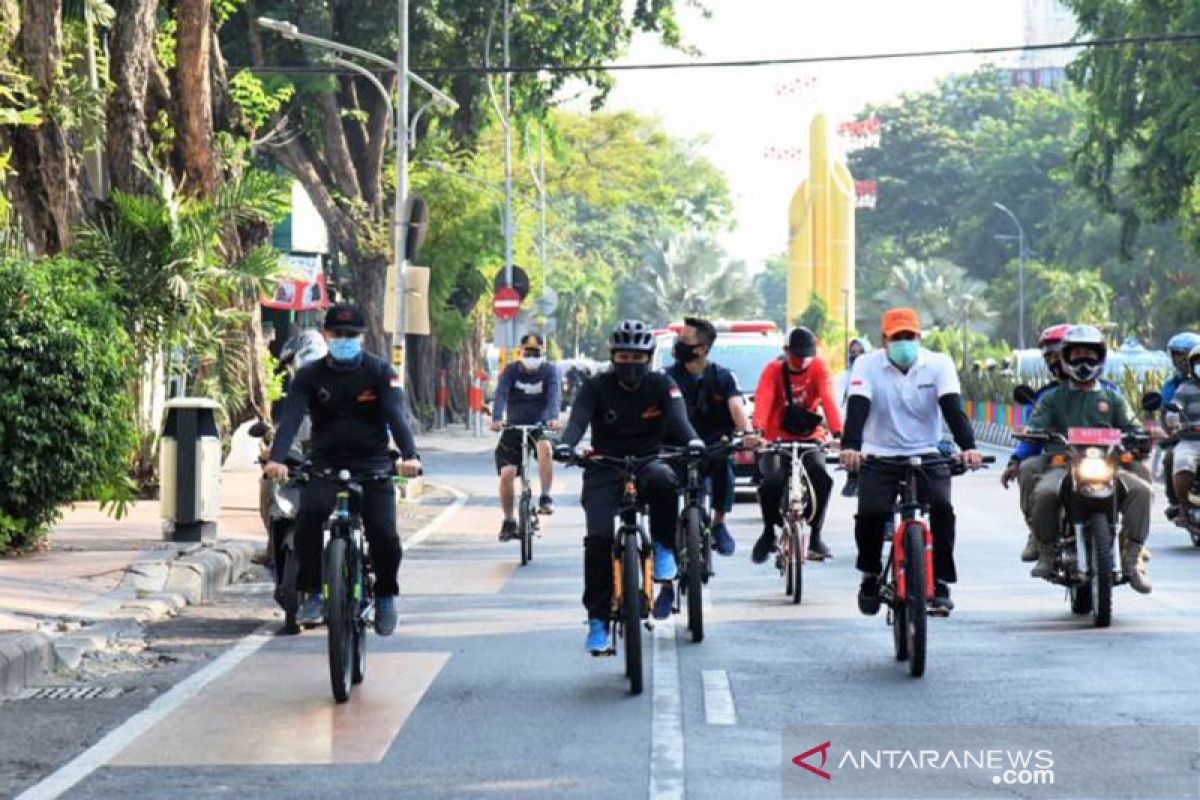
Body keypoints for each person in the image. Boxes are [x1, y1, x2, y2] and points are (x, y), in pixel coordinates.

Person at [263, 304, 423, 635]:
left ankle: (385, 596)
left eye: (351, 336)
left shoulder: (380, 372)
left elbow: (397, 416)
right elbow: (291, 418)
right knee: (309, 516)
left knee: (384, 532)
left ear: (361, 339)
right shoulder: (309, 376)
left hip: (373, 463)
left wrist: (410, 455)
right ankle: (315, 594)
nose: (344, 340)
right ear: (326, 335)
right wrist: (276, 459)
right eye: (338, 334)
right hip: (325, 463)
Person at [554, 320, 703, 653]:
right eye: (623, 356)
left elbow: (679, 421)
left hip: (648, 461)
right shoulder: (595, 386)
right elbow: (577, 422)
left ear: (648, 358)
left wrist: (693, 441)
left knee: (665, 480)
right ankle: (597, 620)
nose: (630, 364)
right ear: (612, 357)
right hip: (604, 465)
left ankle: (664, 549)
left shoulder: (663, 385)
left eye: (637, 357)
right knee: (598, 540)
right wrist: (566, 445)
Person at [839, 308, 983, 616]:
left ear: (919, 338)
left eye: (910, 337)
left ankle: (941, 580)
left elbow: (952, 409)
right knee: (872, 513)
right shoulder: (866, 365)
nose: (904, 343)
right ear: (884, 340)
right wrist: (851, 447)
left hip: (926, 452)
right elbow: (858, 406)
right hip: (879, 453)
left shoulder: (938, 364)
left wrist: (969, 447)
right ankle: (870, 574)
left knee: (943, 508)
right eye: (897, 337)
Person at [1026, 324, 1153, 593]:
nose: (1084, 361)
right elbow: (1036, 424)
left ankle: (1133, 558)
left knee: (1141, 490)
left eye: (1090, 355)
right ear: (1066, 358)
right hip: (1063, 464)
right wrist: (1032, 433)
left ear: (1101, 358)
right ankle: (1047, 550)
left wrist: (1142, 435)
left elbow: (1132, 425)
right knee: (1045, 493)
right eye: (1077, 354)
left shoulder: (1113, 398)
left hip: (1108, 466)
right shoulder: (1052, 398)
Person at [666, 317, 759, 557]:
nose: (678, 344)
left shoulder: (723, 377)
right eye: (679, 338)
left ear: (702, 349)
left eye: (685, 340)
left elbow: (737, 408)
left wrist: (748, 433)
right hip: (676, 449)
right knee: (660, 483)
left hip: (713, 446)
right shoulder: (665, 377)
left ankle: (719, 523)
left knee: (724, 466)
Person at [751, 326, 842, 563]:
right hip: (775, 437)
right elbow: (763, 399)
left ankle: (816, 535)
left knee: (821, 477)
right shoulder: (773, 370)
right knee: (771, 481)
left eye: (806, 355)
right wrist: (758, 431)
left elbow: (829, 399)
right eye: (797, 355)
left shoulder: (819, 367)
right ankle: (769, 531)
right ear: (786, 350)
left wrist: (839, 434)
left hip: (809, 436)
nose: (802, 361)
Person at [1001, 323, 1072, 562]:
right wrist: (1016, 459)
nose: (1056, 362)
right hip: (1058, 459)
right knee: (1030, 471)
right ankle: (1038, 533)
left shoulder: (1109, 393)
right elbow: (1033, 430)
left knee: (1139, 485)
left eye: (1061, 353)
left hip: (1101, 459)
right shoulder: (1046, 396)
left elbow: (1128, 427)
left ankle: (1132, 549)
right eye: (1050, 356)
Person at [490, 333, 561, 540]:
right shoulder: (511, 371)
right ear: (521, 353)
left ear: (543, 353)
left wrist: (554, 418)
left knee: (545, 446)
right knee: (507, 474)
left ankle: (546, 496)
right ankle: (509, 520)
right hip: (514, 425)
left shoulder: (550, 371)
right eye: (527, 353)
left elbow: (554, 396)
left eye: (536, 353)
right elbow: (501, 394)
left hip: (540, 424)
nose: (531, 356)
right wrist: (496, 418)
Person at [1160, 331, 1200, 518]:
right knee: (1173, 459)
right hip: (1188, 438)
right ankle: (1180, 503)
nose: (1181, 360)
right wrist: (1173, 425)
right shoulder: (1179, 386)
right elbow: (1169, 411)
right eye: (1178, 356)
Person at [834, 336, 870, 497]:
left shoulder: (877, 375)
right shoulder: (843, 378)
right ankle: (853, 477)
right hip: (854, 426)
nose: (857, 356)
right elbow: (836, 403)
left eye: (861, 352)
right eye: (853, 353)